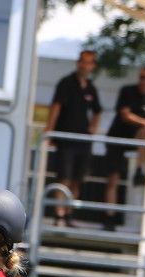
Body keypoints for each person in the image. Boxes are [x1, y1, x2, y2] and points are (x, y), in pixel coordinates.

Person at [102, 66, 145, 230]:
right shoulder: (127, 91)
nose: (144, 81)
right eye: (142, 77)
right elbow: (126, 116)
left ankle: (139, 169)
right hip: (117, 138)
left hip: (137, 142)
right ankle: (109, 217)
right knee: (113, 180)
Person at [44, 50, 102, 226]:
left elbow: (98, 110)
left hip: (83, 140)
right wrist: (49, 130)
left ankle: (69, 214)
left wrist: (93, 126)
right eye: (82, 62)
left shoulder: (91, 87)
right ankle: (59, 214)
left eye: (88, 62)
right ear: (78, 63)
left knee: (78, 179)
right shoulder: (66, 83)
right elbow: (56, 107)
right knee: (64, 177)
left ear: (93, 66)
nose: (84, 65)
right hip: (66, 138)